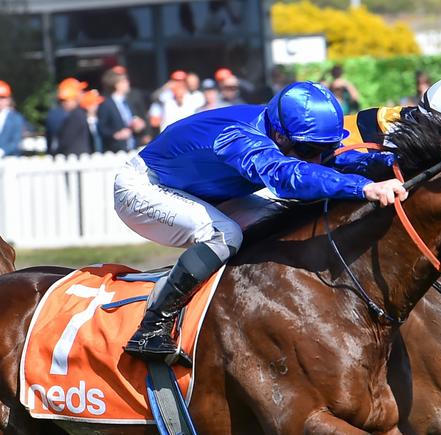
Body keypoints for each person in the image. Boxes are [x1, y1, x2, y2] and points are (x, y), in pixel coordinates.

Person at [113, 81, 404, 365]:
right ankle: (151, 327)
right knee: (225, 235)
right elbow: (285, 177)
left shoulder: (290, 132)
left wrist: (392, 161)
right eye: (308, 150)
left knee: (277, 223)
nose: (317, 158)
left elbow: (334, 159)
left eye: (324, 147)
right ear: (279, 136)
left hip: (207, 192)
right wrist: (362, 188)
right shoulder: (236, 136)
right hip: (144, 188)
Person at [98, 68, 147, 152]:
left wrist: (139, 125)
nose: (128, 83)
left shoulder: (129, 101)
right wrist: (116, 134)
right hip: (116, 150)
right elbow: (102, 128)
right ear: (117, 85)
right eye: (124, 81)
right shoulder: (106, 104)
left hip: (133, 147)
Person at [45, 78, 87, 155]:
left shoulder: (56, 114)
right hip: (69, 160)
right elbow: (63, 141)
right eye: (79, 92)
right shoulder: (73, 115)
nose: (82, 94)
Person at [0, 80, 25, 158]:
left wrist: (2, 151)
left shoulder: (16, 118)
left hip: (9, 159)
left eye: (2, 98)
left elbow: (16, 142)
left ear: (8, 99)